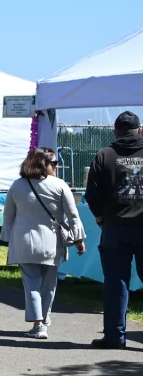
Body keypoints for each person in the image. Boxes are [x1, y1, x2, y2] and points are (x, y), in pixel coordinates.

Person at [1, 147, 85, 339]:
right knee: (49, 285)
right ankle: (44, 322)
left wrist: (7, 238)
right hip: (51, 242)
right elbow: (73, 216)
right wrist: (79, 239)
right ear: (42, 164)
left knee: (31, 284)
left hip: (23, 241)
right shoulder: (60, 185)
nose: (56, 166)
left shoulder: (17, 185)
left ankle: (38, 323)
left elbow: (8, 216)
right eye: (53, 163)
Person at [84, 111, 143, 349]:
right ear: (139, 130)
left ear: (115, 132)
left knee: (116, 282)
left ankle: (114, 336)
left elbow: (92, 194)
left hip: (115, 227)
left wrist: (100, 218)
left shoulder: (104, 155)